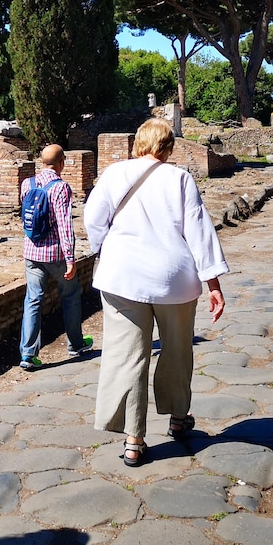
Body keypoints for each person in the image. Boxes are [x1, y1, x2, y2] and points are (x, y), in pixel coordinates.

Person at [83, 118, 228, 467]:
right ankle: (178, 417)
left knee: (127, 355)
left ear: (138, 144)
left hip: (122, 277)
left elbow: (92, 219)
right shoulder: (180, 178)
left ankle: (134, 439)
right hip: (173, 280)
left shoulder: (115, 173)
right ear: (168, 147)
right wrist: (213, 282)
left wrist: (108, 248)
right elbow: (198, 230)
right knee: (178, 350)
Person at [18, 143, 92, 370]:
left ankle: (28, 354)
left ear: (42, 162)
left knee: (33, 299)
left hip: (31, 251)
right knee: (70, 295)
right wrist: (70, 258)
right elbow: (64, 225)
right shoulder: (60, 188)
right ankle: (76, 344)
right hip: (55, 254)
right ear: (62, 163)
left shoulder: (27, 183)